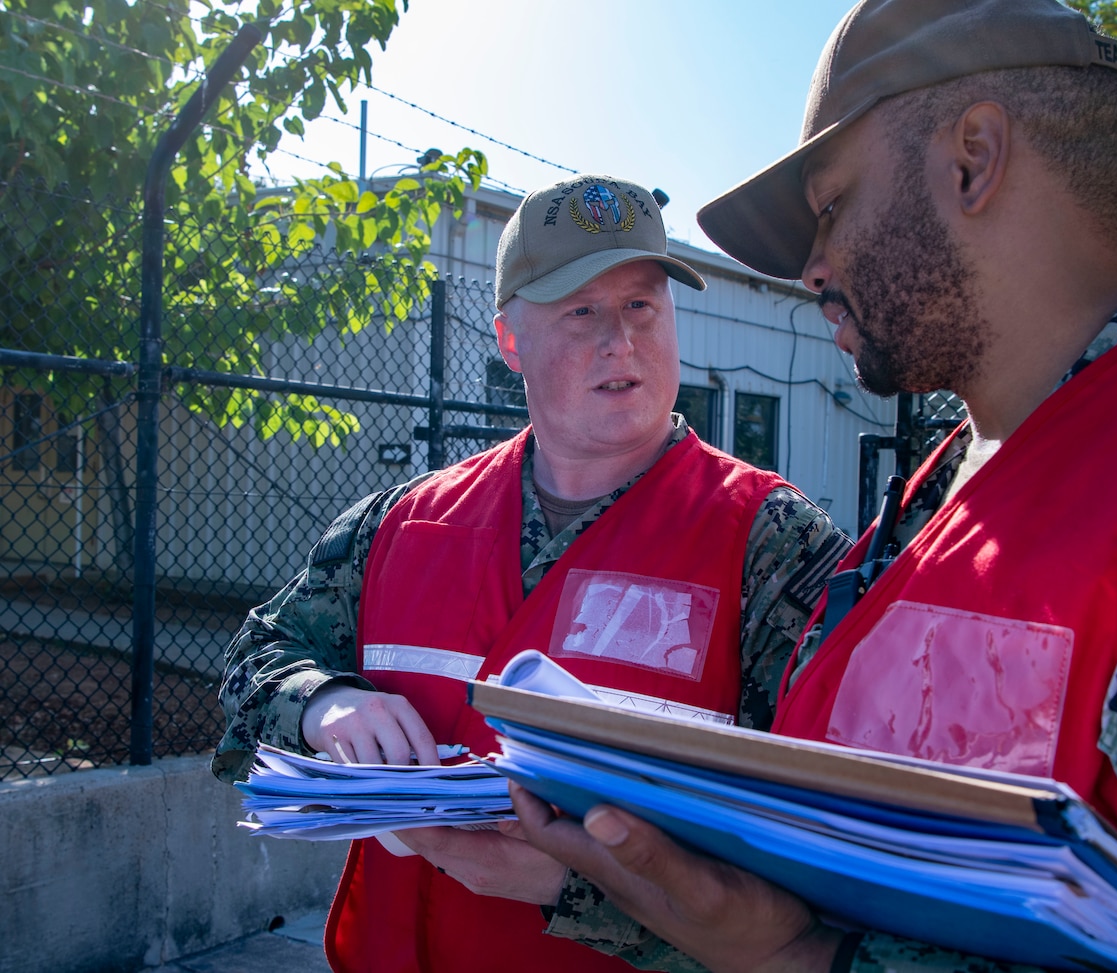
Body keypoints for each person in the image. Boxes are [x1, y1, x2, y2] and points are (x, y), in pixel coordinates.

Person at [509, 3, 1117, 972]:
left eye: (830, 205)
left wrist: (813, 960)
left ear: (970, 160)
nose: (811, 268)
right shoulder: (926, 506)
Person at [211, 173, 850, 972]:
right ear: (510, 340)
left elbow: (820, 871)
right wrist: (323, 704)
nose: (621, 339)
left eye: (642, 305)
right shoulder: (401, 524)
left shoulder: (771, 541)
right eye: (582, 310)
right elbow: (255, 658)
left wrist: (575, 887)